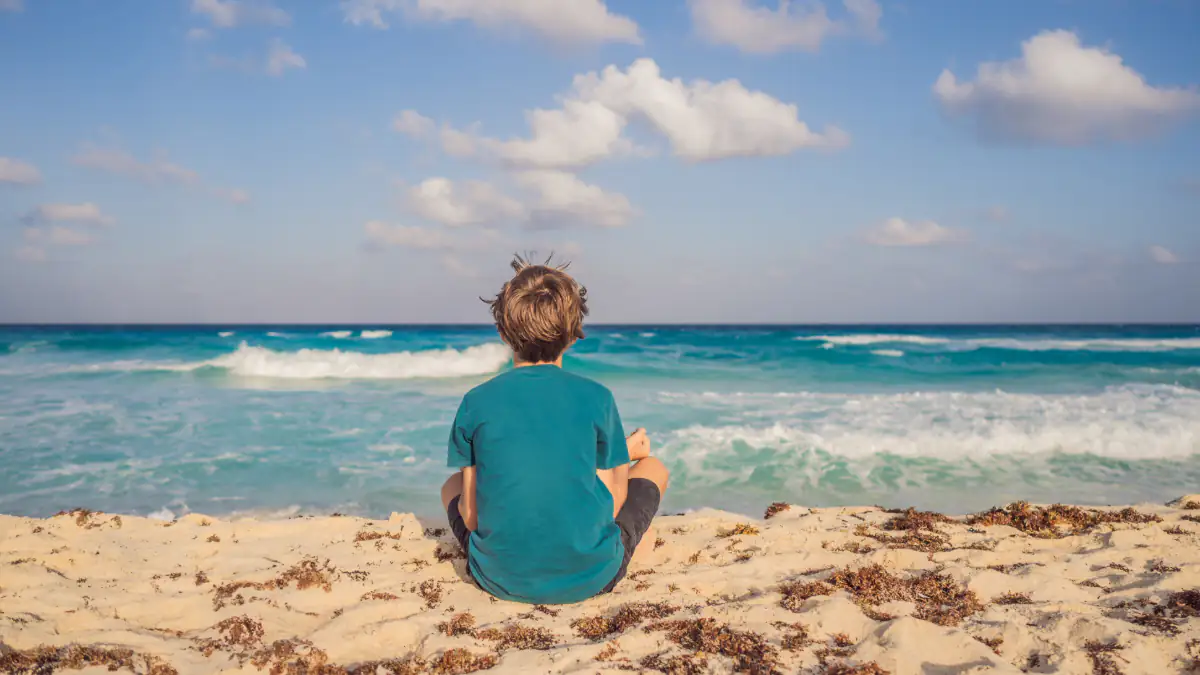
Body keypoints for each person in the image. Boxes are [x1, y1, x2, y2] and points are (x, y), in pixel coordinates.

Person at [439, 255, 670, 604]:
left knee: (451, 486)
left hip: (498, 578)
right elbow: (612, 504)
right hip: (592, 578)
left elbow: (470, 518)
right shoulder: (597, 397)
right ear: (574, 334)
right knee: (653, 468)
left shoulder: (476, 401)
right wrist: (625, 454)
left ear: (503, 332)